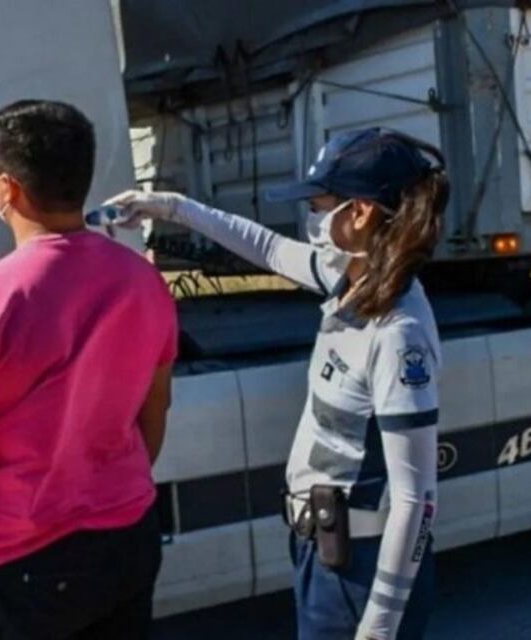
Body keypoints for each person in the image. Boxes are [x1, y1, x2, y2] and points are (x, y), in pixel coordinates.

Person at [104, 128, 447, 640]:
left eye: (318, 205)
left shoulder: (398, 332)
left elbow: (416, 499)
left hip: (362, 567)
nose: (310, 218)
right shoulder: (348, 280)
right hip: (325, 552)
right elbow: (264, 245)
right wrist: (171, 207)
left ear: (360, 213)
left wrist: (379, 623)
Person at [0, 100, 178, 640]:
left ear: (6, 188)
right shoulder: (143, 281)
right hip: (127, 536)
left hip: (18, 565)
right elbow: (154, 413)